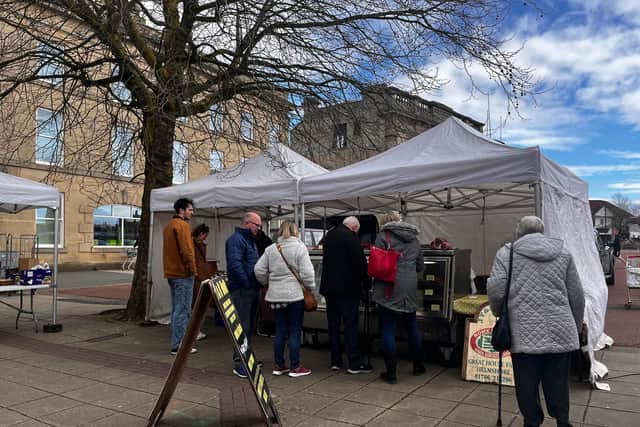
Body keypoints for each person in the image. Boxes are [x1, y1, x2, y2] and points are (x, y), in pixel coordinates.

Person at [487, 216, 584, 427]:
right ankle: (562, 420)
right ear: (542, 230)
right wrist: (575, 326)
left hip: (523, 331)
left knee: (526, 384)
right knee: (558, 381)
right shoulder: (563, 253)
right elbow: (576, 294)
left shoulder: (507, 253)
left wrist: (498, 313)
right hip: (561, 328)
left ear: (519, 232)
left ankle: (532, 421)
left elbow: (495, 290)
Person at [254, 221, 315, 377]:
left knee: (280, 331)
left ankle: (279, 365)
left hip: (275, 296)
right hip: (294, 295)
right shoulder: (300, 247)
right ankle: (295, 367)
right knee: (294, 331)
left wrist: (267, 282)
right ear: (295, 231)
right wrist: (310, 288)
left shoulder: (271, 249)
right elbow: (308, 273)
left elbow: (258, 269)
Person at [371, 211, 425, 384]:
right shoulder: (414, 239)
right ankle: (418, 365)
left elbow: (375, 262)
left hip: (389, 285)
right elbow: (420, 265)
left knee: (388, 328)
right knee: (411, 325)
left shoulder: (382, 237)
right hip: (409, 286)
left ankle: (391, 373)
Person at [320, 216, 372, 374]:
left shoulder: (329, 235)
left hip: (329, 289)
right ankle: (354, 363)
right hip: (348, 290)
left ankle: (335, 360)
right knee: (350, 326)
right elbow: (360, 264)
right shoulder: (351, 238)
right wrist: (366, 284)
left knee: (333, 325)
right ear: (355, 227)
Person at [226, 211, 263, 378]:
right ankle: (239, 362)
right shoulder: (236, 240)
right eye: (257, 225)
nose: (259, 229)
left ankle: (247, 357)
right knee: (242, 327)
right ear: (247, 223)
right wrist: (248, 284)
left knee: (249, 327)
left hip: (251, 289)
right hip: (242, 290)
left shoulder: (248, 240)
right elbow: (235, 265)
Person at [163, 198, 198, 355]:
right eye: (190, 209)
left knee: (177, 309)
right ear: (181, 210)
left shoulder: (169, 225)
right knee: (183, 310)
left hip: (172, 272)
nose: (192, 212)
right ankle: (179, 345)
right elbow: (187, 251)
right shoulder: (182, 226)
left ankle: (177, 343)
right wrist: (193, 270)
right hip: (183, 274)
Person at [192, 223, 211, 341]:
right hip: (198, 279)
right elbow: (198, 264)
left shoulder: (198, 245)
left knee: (197, 307)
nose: (206, 238)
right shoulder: (195, 245)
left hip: (199, 278)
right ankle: (195, 332)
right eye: (205, 236)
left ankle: (195, 331)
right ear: (201, 234)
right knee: (197, 307)